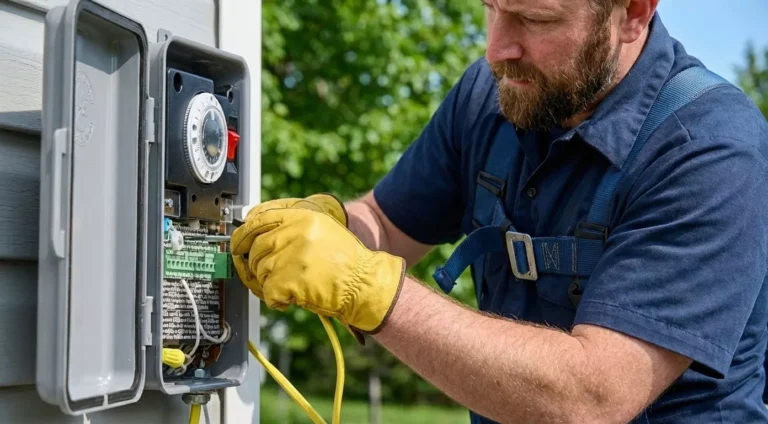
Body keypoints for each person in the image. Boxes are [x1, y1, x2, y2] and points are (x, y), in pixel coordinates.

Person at [232, 0, 768, 422]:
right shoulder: (492, 95)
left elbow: (592, 398)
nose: (496, 49)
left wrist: (371, 292)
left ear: (632, 13)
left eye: (535, 19)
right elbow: (388, 222)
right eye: (490, 8)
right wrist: (331, 225)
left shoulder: (709, 149)